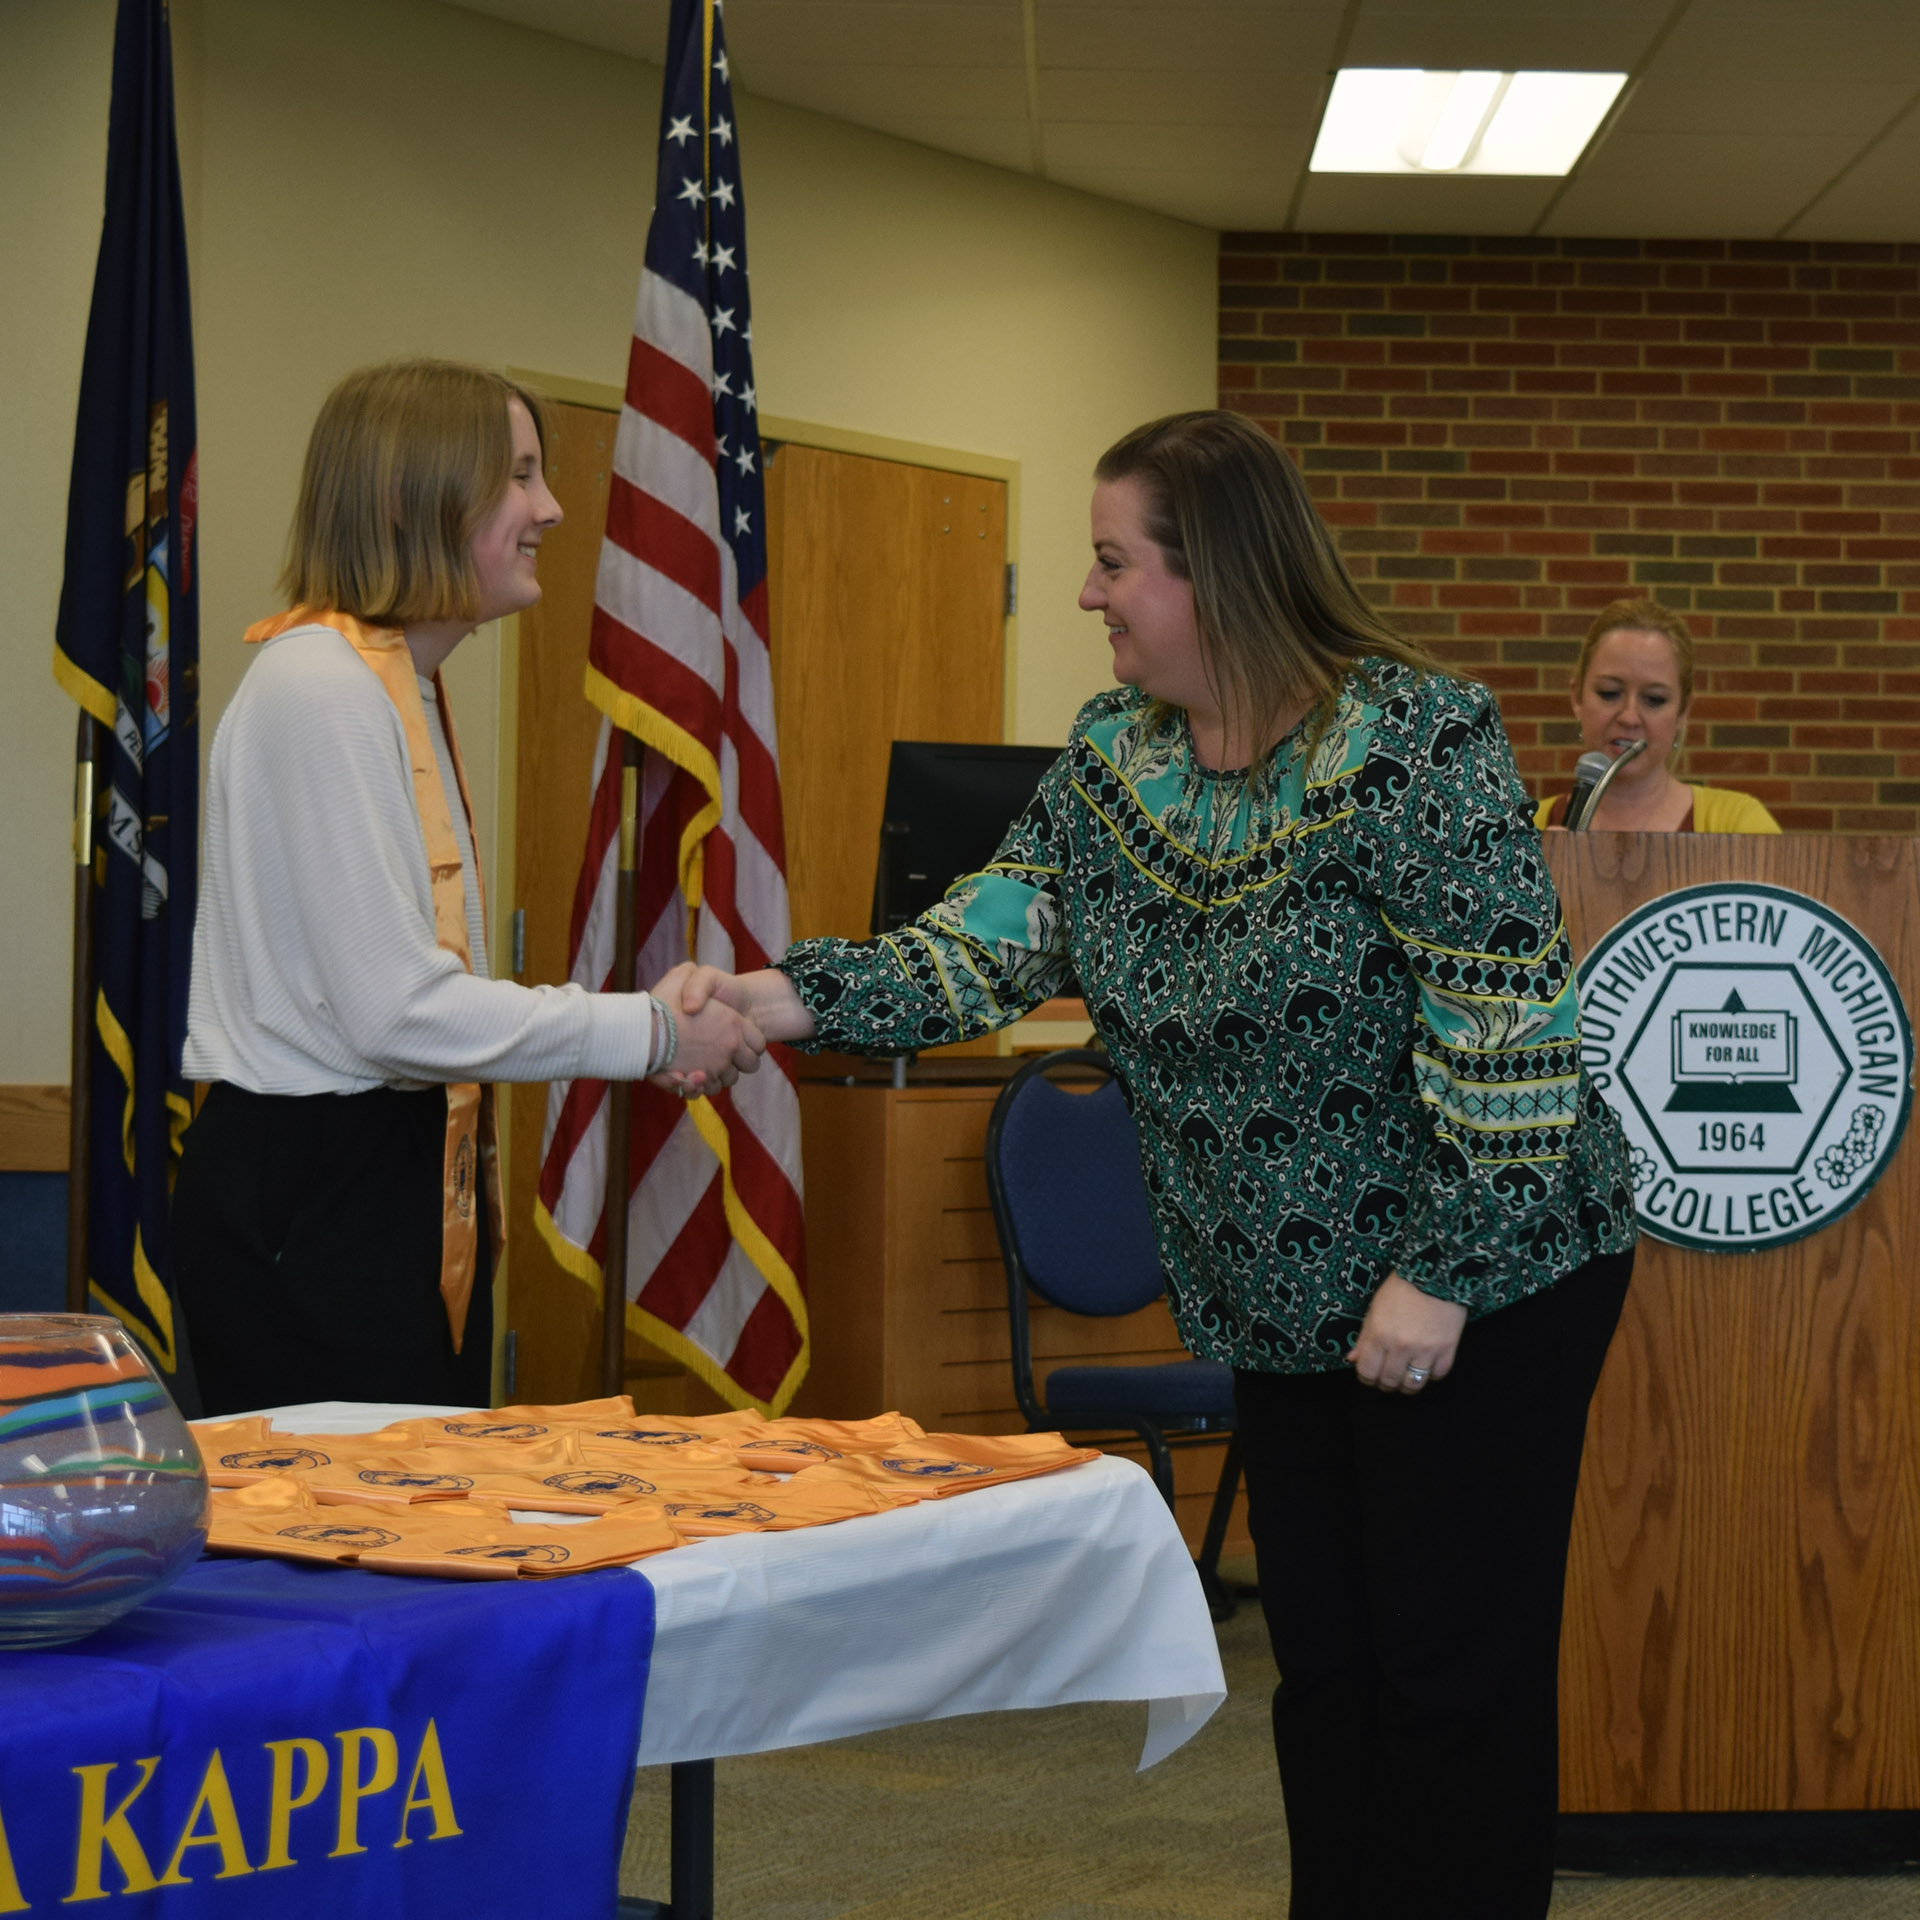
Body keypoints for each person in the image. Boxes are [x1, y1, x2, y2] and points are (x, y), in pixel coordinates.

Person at [664, 411, 1639, 1919]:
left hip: (1486, 1271)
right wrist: (763, 1000)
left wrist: (1436, 1276)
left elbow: (1509, 1032)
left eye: (1113, 562)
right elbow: (978, 946)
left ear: (1217, 575)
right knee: (1323, 1671)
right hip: (1277, 1293)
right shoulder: (1115, 758)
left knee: (1449, 1681)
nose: (1088, 594)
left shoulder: (1414, 740)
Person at [173, 359, 764, 1416]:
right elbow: (398, 1011)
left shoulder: (397, 681)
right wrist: (654, 1032)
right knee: (351, 1553)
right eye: (520, 476)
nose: (552, 507)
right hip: (313, 1188)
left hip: (393, 1172)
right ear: (413, 498)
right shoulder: (322, 688)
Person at [1537, 597, 1781, 833]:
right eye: (1609, 693)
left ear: (1683, 711)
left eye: (1654, 700)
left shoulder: (1737, 824)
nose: (1629, 718)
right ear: (1577, 698)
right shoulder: (1525, 827)